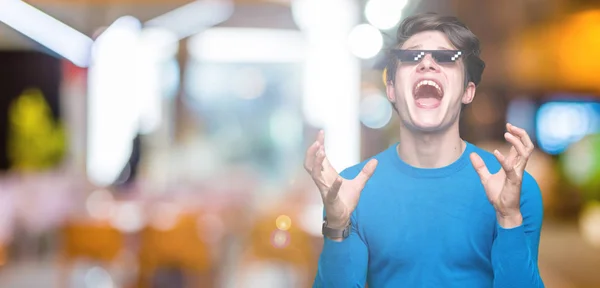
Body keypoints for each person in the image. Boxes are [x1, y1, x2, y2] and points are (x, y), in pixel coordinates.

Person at [304, 13, 544, 287]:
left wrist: (508, 216)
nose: (427, 63)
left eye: (446, 57)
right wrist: (337, 225)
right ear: (392, 90)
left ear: (468, 91)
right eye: (412, 57)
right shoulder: (350, 190)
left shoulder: (515, 190)